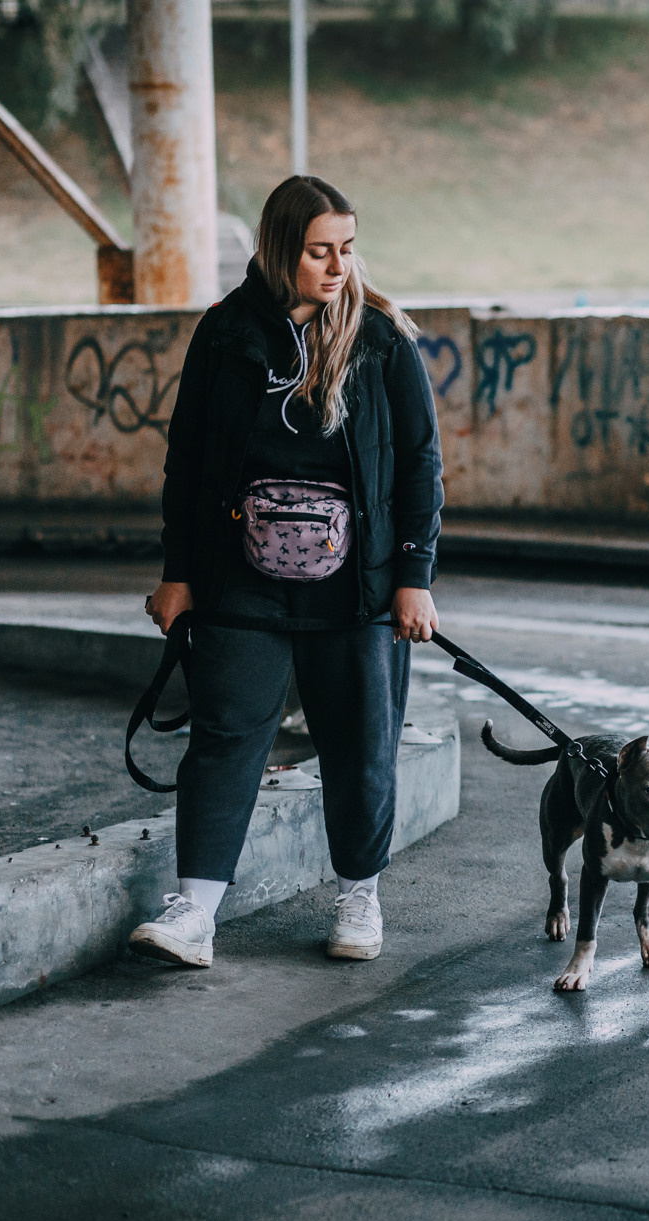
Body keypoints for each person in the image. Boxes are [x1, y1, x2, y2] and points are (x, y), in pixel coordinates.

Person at [128, 175, 442, 970]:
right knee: (225, 737)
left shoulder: (382, 339)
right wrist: (179, 573)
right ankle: (194, 912)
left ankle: (359, 897)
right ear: (279, 249)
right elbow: (188, 463)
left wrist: (414, 575)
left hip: (359, 590)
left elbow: (419, 465)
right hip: (243, 586)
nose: (337, 265)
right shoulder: (227, 336)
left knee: (361, 742)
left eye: (346, 248)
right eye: (318, 251)